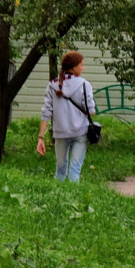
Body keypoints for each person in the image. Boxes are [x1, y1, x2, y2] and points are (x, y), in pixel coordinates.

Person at [37, 49, 97, 183]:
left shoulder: (52, 85)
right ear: (74, 67)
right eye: (82, 65)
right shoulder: (84, 85)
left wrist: (41, 137)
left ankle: (58, 198)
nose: (83, 67)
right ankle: (74, 201)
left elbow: (46, 111)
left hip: (60, 133)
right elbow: (91, 111)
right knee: (75, 170)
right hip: (81, 132)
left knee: (60, 169)